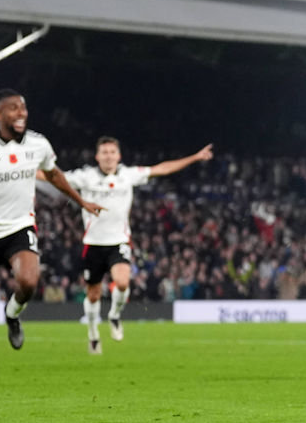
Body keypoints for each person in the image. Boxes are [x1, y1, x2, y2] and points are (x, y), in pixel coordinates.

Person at [0, 89, 103, 374]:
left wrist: (81, 201)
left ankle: (12, 315)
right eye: (14, 108)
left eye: (24, 108)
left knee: (29, 281)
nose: (21, 113)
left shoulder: (37, 144)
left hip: (20, 226)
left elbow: (54, 175)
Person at [47, 137, 213, 353]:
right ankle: (93, 333)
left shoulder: (128, 175)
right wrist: (24, 171)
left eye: (112, 152)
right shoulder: (85, 177)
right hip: (93, 244)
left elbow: (162, 169)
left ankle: (114, 315)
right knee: (93, 295)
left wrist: (195, 157)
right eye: (104, 152)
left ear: (119, 156)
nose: (108, 156)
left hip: (119, 241)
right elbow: (53, 176)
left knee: (122, 282)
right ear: (97, 156)